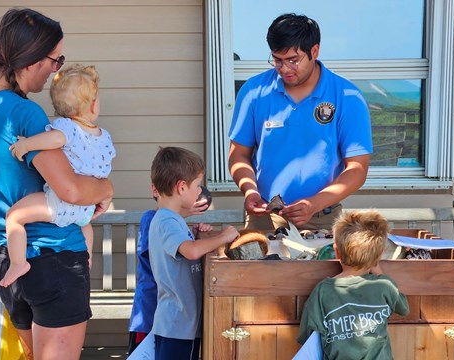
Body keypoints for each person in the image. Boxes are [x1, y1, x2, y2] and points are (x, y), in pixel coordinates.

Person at [0, 8, 113, 360]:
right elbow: (71, 189)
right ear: (31, 60)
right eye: (54, 60)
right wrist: (106, 190)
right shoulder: (26, 114)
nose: (55, 70)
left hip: (9, 265)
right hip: (54, 260)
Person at [228, 13, 372, 231]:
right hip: (265, 216)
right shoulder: (253, 91)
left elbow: (358, 168)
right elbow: (238, 155)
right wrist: (249, 190)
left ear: (314, 51)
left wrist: (314, 203)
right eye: (277, 60)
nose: (284, 68)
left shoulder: (347, 96)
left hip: (322, 216)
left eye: (293, 60)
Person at [0, 63, 115, 287]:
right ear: (92, 106)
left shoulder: (66, 127)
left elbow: (54, 140)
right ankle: (87, 257)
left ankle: (17, 263)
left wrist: (26, 144)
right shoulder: (104, 137)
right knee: (85, 226)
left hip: (59, 203)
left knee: (14, 216)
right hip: (86, 207)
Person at [149, 147, 239, 360]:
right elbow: (191, 252)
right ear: (181, 187)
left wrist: (196, 234)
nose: (200, 191)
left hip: (178, 324)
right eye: (197, 186)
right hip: (180, 324)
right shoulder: (167, 221)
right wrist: (223, 237)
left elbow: (185, 249)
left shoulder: (172, 220)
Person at [297, 210, 409, 359]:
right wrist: (379, 271)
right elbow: (404, 309)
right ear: (380, 254)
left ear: (336, 252)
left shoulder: (323, 290)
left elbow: (307, 333)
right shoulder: (385, 285)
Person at [127, 185, 212, 354]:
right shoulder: (154, 219)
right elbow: (165, 257)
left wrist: (196, 237)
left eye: (200, 208)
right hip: (150, 308)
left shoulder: (177, 227)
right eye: (194, 205)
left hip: (171, 311)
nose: (193, 210)